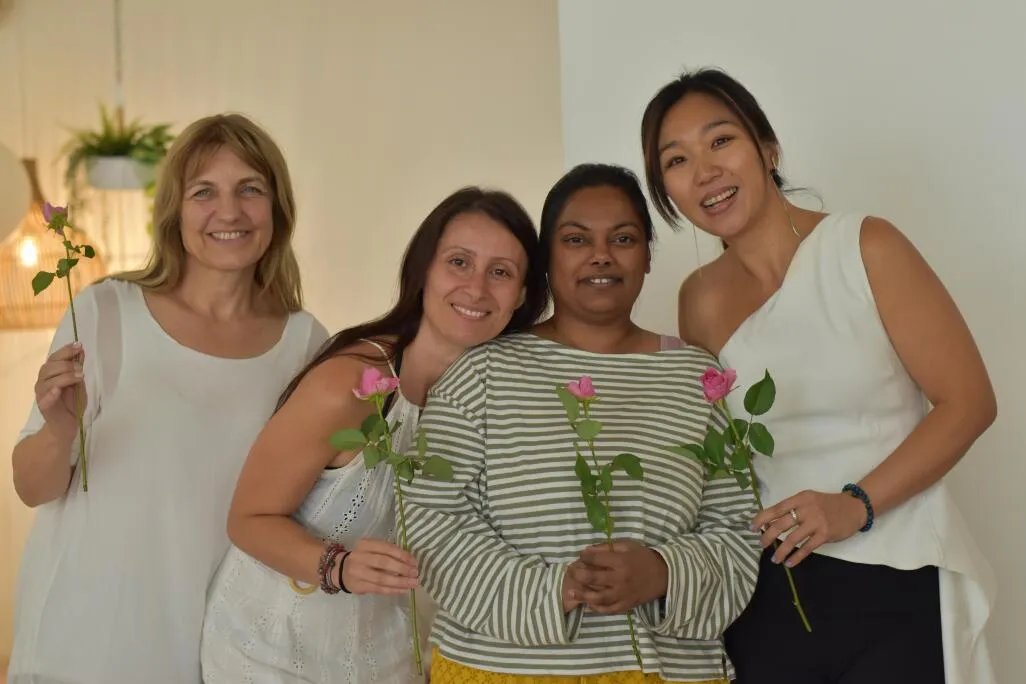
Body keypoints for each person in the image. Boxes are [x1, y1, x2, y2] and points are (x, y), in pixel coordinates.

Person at [640, 67, 997, 684]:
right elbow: (720, 458)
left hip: (897, 566)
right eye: (677, 160)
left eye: (721, 141)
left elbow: (968, 402)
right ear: (668, 191)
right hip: (768, 589)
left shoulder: (866, 246)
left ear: (767, 148)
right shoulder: (697, 298)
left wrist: (853, 506)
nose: (705, 172)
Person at [402, 163, 761, 684]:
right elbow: (430, 520)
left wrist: (663, 573)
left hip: (673, 672)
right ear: (546, 260)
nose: (601, 255)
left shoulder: (695, 377)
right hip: (503, 669)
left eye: (623, 238)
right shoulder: (479, 372)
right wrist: (560, 590)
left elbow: (736, 528)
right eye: (576, 239)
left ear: (648, 256)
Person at [8, 113, 328, 684]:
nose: (228, 212)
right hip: (92, 640)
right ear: (174, 213)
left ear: (277, 211)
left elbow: (313, 503)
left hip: (227, 647)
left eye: (249, 189)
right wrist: (59, 429)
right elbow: (32, 487)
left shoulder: (305, 344)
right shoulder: (107, 312)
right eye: (204, 192)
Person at [199, 186, 549, 683]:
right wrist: (337, 568)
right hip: (265, 655)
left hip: (387, 660)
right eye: (458, 262)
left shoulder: (491, 402)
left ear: (521, 295)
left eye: (500, 272)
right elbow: (247, 519)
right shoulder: (351, 385)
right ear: (423, 271)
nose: (476, 288)